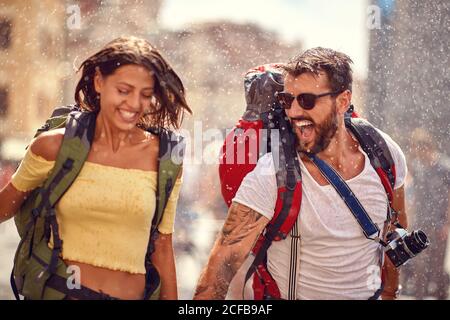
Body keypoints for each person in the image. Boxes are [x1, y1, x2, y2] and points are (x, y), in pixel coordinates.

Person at [193, 47, 408, 300]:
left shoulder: (384, 153)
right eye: (287, 100)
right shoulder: (272, 174)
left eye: (307, 100)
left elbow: (395, 236)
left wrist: (391, 293)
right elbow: (216, 276)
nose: (294, 112)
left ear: (342, 101)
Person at [0, 36, 191, 300]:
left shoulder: (166, 159)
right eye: (123, 90)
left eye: (145, 94)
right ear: (99, 82)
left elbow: (162, 245)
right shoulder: (53, 147)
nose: (134, 104)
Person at [402, 128, 450, 299]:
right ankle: (419, 295)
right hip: (421, 223)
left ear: (427, 148)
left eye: (418, 150)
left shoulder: (444, 167)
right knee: (419, 266)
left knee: (437, 269)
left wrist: (446, 224)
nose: (417, 154)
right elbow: (415, 195)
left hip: (438, 223)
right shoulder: (418, 167)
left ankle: (441, 294)